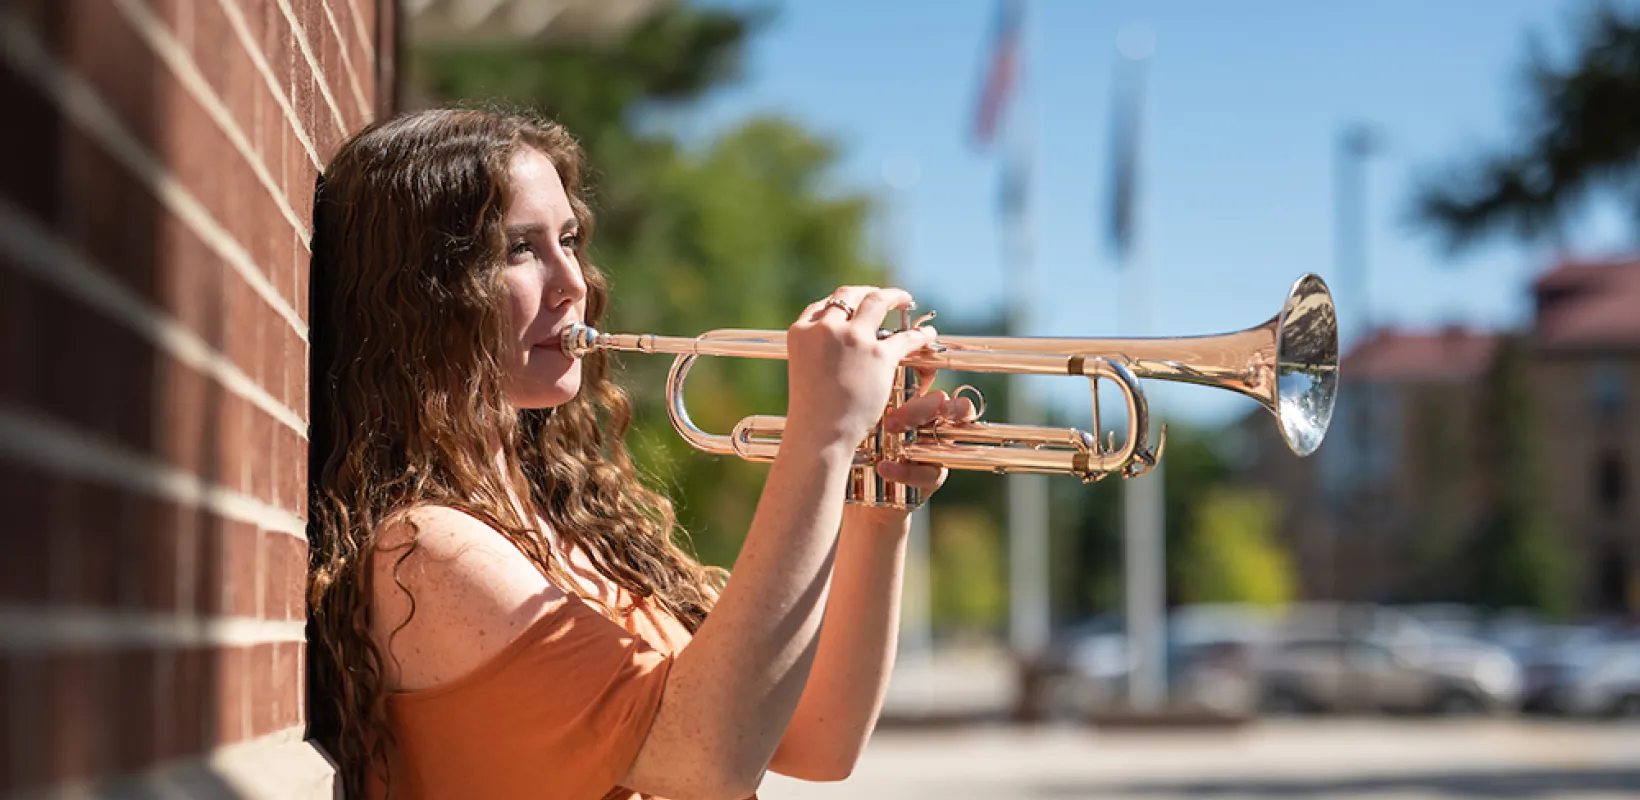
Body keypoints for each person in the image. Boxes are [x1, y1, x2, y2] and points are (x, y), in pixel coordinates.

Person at [305, 107, 976, 800]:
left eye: (569, 239)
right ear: (425, 293)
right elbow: (708, 763)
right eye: (518, 250)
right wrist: (822, 436)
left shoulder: (562, 521)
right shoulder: (428, 550)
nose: (573, 285)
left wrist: (876, 503)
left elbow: (820, 740)